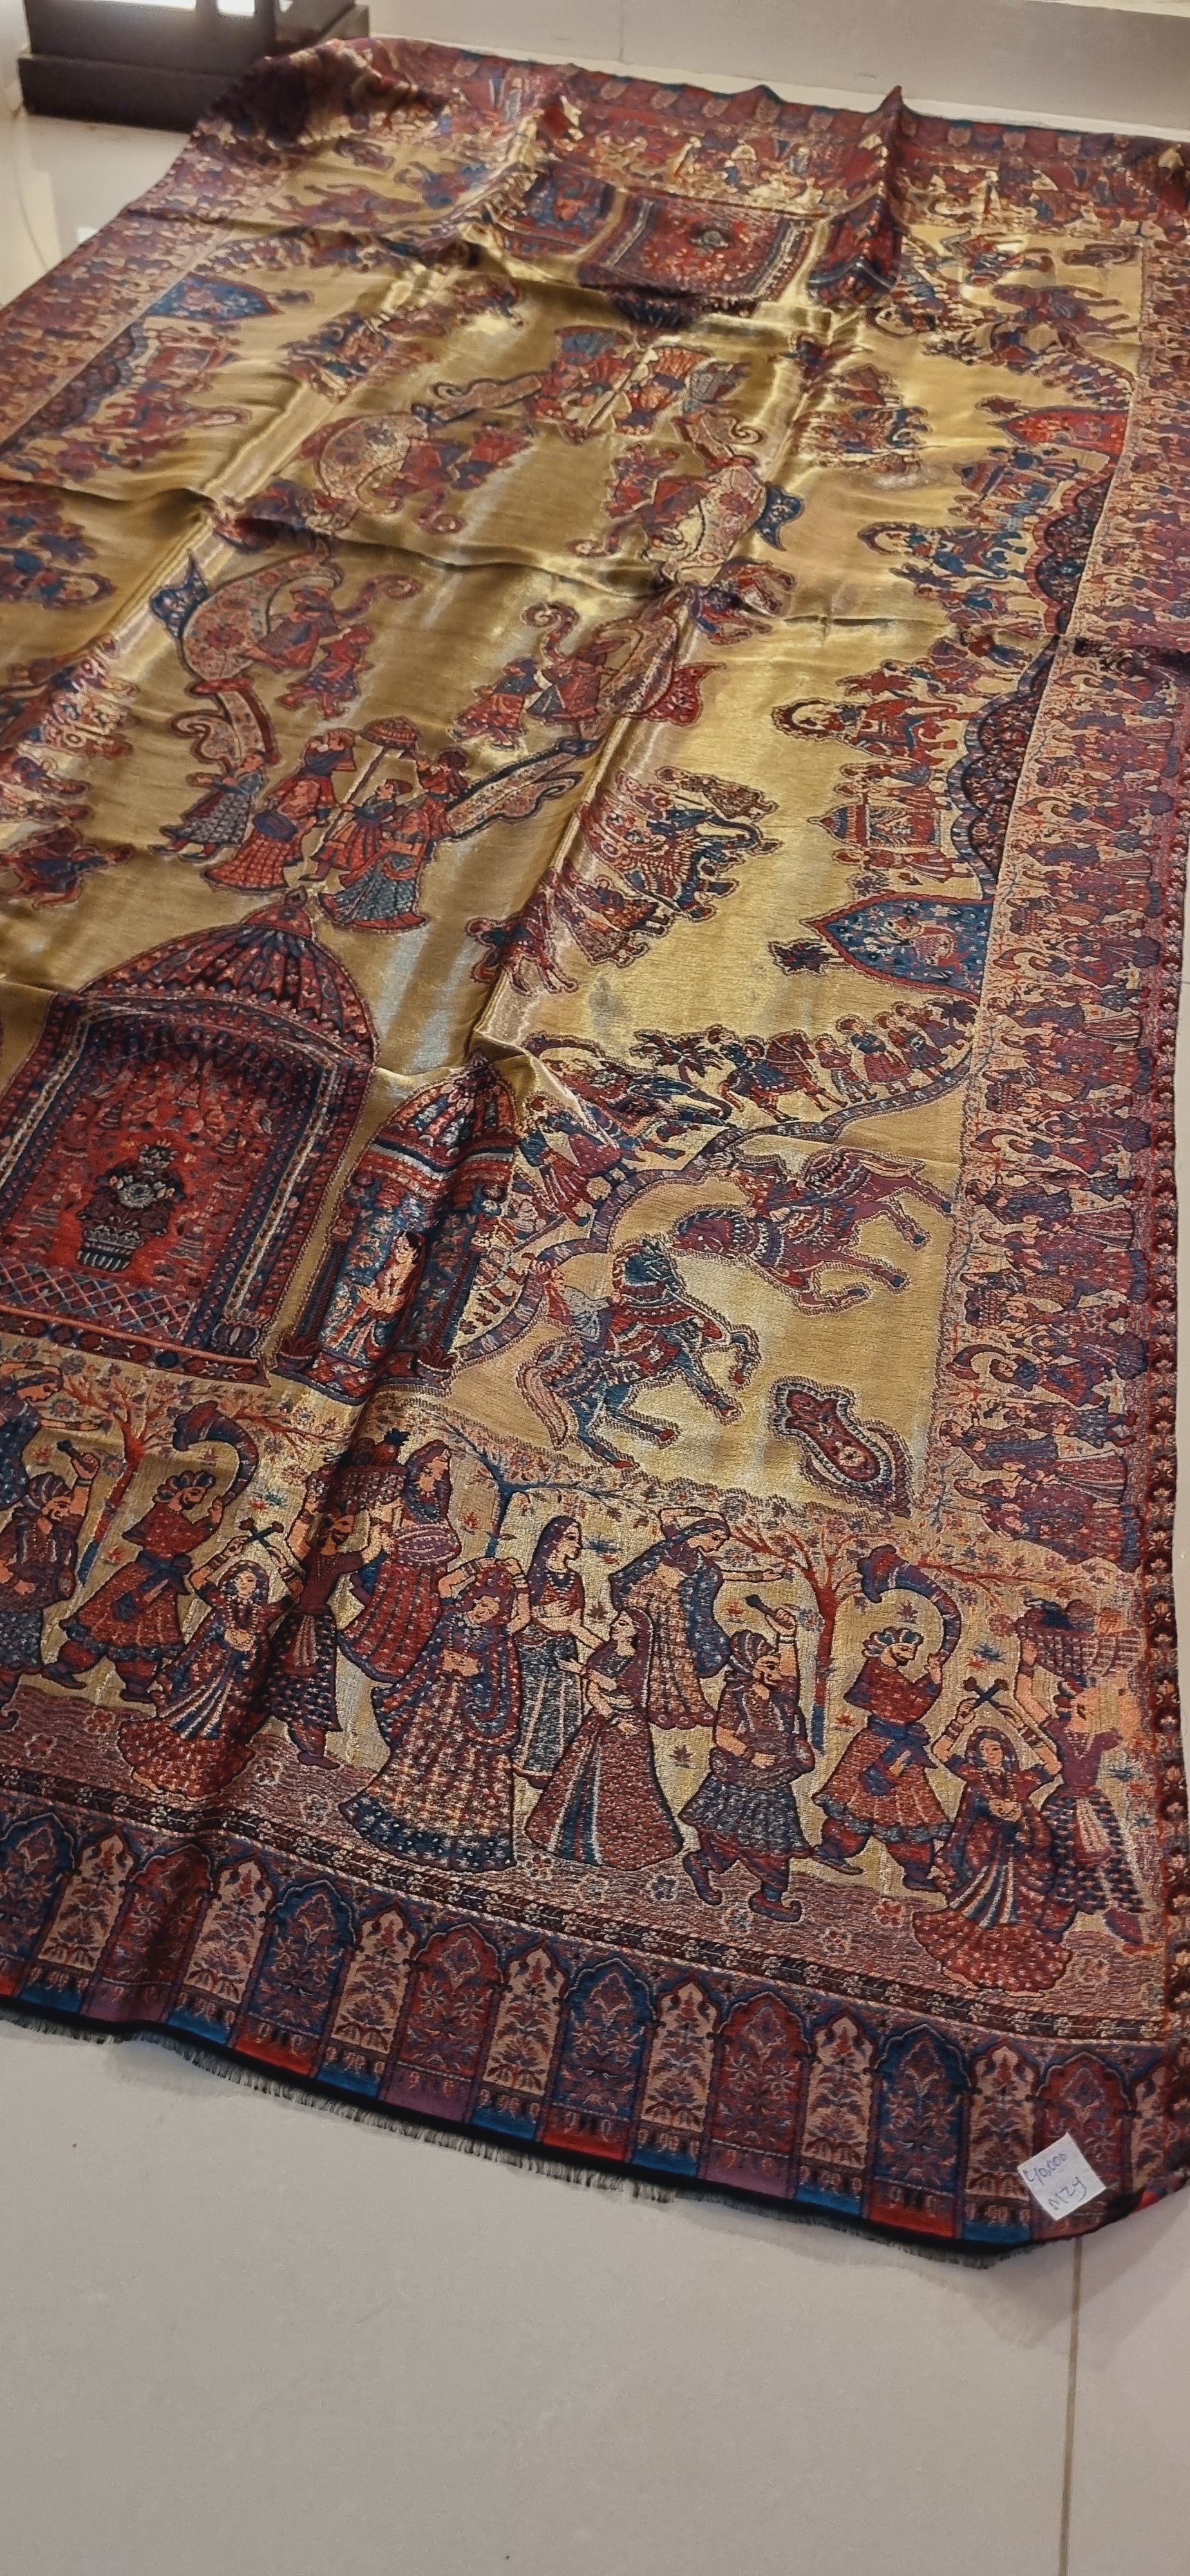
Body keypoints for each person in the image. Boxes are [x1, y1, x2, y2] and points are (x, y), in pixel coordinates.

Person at [343, 1560, 529, 1870]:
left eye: (492, 1608)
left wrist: (520, 1580)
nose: (484, 1610)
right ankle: (399, 1820)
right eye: (482, 1603)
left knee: (469, 1770)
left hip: (474, 1711)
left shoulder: (497, 1636)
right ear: (474, 1599)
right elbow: (443, 1585)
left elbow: (524, 1618)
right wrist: (476, 1566)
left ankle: (461, 1837)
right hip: (438, 1702)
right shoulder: (453, 1618)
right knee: (420, 1757)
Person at [912, 1707, 1066, 1992]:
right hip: (982, 1857)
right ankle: (957, 1968)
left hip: (1016, 1859)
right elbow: (941, 1751)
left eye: (995, 1748)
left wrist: (1022, 1725)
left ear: (1005, 1751)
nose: (990, 1754)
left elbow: (1053, 1764)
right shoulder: (975, 1777)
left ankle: (1009, 1976)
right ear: (977, 1754)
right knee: (978, 1913)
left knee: (1012, 1919)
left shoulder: (1019, 1781)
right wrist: (959, 1721)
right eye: (984, 1750)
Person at [47, 1466, 225, 1702]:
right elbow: (181, 1542)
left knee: (146, 1635)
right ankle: (64, 1668)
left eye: (201, 1495)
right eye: (195, 1493)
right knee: (106, 1623)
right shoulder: (164, 1515)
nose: (199, 1499)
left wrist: (209, 1522)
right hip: (143, 1578)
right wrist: (211, 1522)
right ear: (179, 1491)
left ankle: (136, 1688)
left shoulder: (171, 1516)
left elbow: (183, 1538)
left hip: (158, 1581)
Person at [526, 1609, 681, 1869]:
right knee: (576, 1778)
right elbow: (594, 1694)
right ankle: (567, 1840)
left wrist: (586, 1672)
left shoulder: (639, 1663)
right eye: (617, 1621)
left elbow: (624, 1693)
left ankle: (623, 1845)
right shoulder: (605, 1654)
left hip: (630, 1728)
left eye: (624, 1624)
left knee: (624, 1786)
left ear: (636, 1633)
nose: (615, 1625)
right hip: (605, 1721)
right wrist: (612, 1717)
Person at [1015, 1647, 1146, 1946]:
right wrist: (1027, 1661)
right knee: (1060, 1862)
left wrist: (1123, 1686)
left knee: (1112, 1859)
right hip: (1063, 1806)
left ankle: (1121, 1916)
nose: (1097, 1699)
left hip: (1094, 1805)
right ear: (1076, 1701)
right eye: (1091, 1695)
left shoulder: (1098, 1738)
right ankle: (1051, 1926)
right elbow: (1024, 1697)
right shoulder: (1060, 1730)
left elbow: (1130, 1726)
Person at [680, 1625, 814, 1917]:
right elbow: (722, 1735)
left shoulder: (783, 1694)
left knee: (777, 1842)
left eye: (776, 1664)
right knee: (728, 1839)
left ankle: (770, 1898)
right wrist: (751, 1756)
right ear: (749, 1667)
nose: (777, 1671)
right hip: (740, 1780)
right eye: (769, 1665)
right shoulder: (737, 1695)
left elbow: (791, 1673)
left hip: (775, 1779)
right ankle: (700, 1864)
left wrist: (787, 1637)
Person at [117, 1558, 279, 1797]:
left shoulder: (262, 1615)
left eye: (250, 1580)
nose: (244, 1584)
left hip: (236, 1685)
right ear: (231, 1583)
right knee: (183, 1725)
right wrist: (225, 1554)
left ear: (259, 1586)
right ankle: (147, 1773)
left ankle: (193, 1782)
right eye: (239, 1579)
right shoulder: (222, 1605)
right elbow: (197, 1580)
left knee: (215, 1735)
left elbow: (292, 1595)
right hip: (205, 1678)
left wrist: (282, 1562)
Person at [815, 1622, 949, 1887]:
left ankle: (916, 1873)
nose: (912, 1655)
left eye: (913, 1650)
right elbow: (908, 1711)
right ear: (887, 1647)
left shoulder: (888, 1674)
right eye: (905, 1649)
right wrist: (934, 1682)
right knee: (863, 1802)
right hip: (880, 1746)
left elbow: (909, 1700)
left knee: (907, 1809)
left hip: (892, 1745)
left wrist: (931, 1679)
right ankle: (833, 1851)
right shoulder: (881, 1674)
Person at [252, 1502, 368, 1766]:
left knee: (316, 1685)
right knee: (272, 1672)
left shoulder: (339, 1561)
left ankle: (313, 1749)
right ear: (329, 1524)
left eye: (350, 1527)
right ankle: (242, 1730)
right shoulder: (312, 1555)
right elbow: (295, 1542)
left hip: (319, 1627)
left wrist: (381, 1524)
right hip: (296, 1622)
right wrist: (307, 1508)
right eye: (344, 1524)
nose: (347, 1532)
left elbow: (367, 1554)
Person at [340, 1439, 458, 1692]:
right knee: (392, 1614)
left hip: (428, 1570)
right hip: (401, 1567)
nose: (446, 1466)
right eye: (443, 1459)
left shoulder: (436, 1500)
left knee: (424, 1617)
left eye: (447, 1461)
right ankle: (375, 1655)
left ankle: (409, 1666)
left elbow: (445, 1529)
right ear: (426, 1462)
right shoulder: (404, 1492)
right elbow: (381, 1517)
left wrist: (446, 1541)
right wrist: (383, 1537)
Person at [609, 1516, 732, 1732]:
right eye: (715, 1538)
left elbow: (718, 1574)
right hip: (649, 1600)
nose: (717, 1545)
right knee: (653, 1653)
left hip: (670, 1605)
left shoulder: (700, 1561)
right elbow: (667, 1514)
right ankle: (651, 1704)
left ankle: (681, 1705)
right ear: (699, 1532)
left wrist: (757, 1576)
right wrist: (694, 1511)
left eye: (721, 1541)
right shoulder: (674, 1544)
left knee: (676, 1655)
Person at [0, 1461, 99, 1715]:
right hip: (5, 1607)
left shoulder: (60, 1535)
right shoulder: (20, 1530)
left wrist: (85, 1481)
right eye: (60, 1505)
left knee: (15, 1665)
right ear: (41, 1504)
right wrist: (14, 1582)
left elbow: (78, 1513)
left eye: (66, 1506)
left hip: (30, 1611)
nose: (66, 1512)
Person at [515, 1516, 600, 1785]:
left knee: (560, 1712)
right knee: (531, 1708)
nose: (578, 1545)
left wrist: (607, 1650)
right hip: (534, 1652)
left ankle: (549, 1769)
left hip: (563, 1652)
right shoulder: (533, 1577)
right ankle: (520, 1761)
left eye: (578, 1539)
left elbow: (575, 1625)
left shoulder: (575, 1580)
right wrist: (543, 1613)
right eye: (572, 1538)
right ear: (554, 1541)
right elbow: (517, 1616)